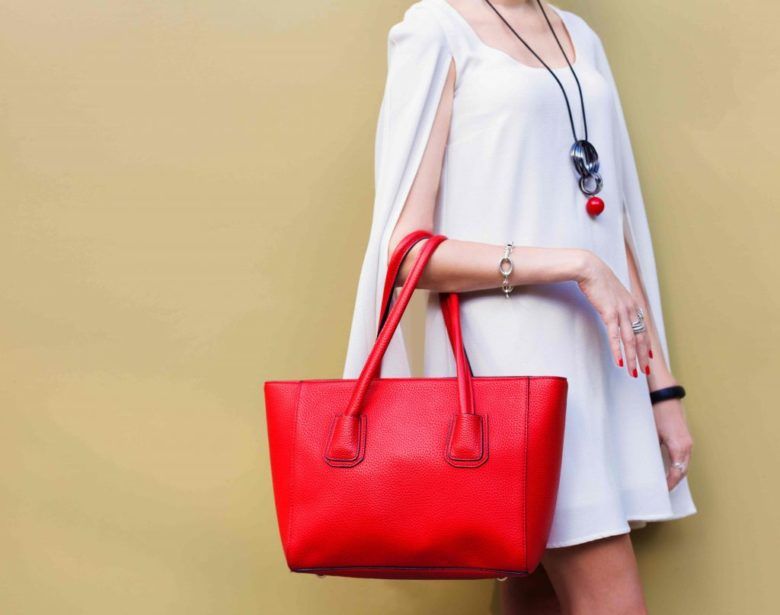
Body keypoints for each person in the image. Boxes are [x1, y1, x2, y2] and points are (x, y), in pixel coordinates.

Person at [343, 0, 697, 612]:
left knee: (534, 598)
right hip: (512, 366)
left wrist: (660, 387)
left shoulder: (578, 34)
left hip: (602, 361)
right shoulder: (435, 29)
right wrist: (573, 265)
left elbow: (610, 227)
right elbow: (403, 256)